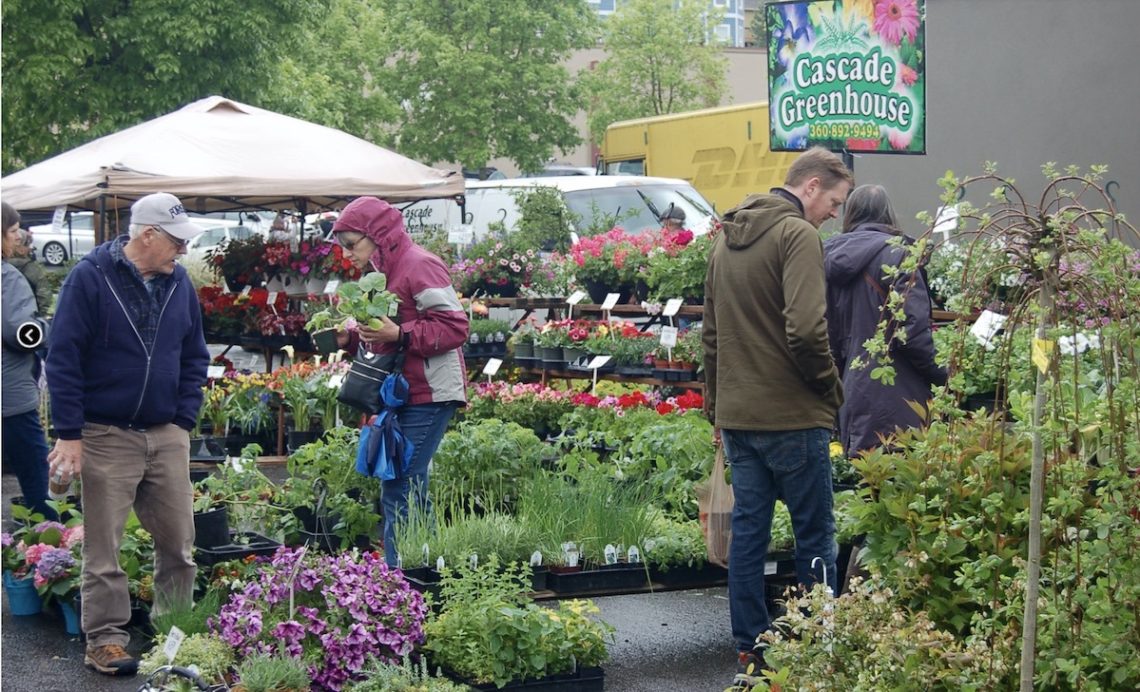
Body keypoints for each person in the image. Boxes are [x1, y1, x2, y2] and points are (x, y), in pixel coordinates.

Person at [702, 146, 852, 690]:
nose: (835, 213)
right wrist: (832, 392)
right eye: (834, 201)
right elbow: (807, 331)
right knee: (815, 536)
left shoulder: (725, 241)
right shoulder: (798, 237)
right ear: (810, 186)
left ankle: (750, 650)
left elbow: (712, 336)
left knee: (749, 536)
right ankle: (819, 644)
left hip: (740, 417)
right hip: (793, 415)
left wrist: (716, 408)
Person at [45, 192, 210, 677]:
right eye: (177, 240)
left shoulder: (180, 284)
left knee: (179, 542)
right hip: (105, 433)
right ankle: (106, 640)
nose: (183, 250)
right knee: (105, 548)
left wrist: (183, 419)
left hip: (165, 433)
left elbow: (194, 354)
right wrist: (69, 434)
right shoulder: (90, 278)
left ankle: (173, 631)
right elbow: (63, 359)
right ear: (147, 234)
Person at [331, 196, 468, 567]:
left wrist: (401, 333)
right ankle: (428, 579)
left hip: (431, 392)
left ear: (378, 234)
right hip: (402, 394)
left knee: (400, 486)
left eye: (352, 245)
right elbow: (386, 332)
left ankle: (402, 587)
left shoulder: (420, 265)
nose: (348, 256)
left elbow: (455, 326)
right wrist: (353, 339)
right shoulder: (381, 273)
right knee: (409, 488)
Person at [823, 184, 947, 458]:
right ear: (889, 214)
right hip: (897, 389)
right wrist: (942, 375)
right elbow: (912, 331)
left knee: (863, 483)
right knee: (900, 486)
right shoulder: (900, 254)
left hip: (848, 388)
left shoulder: (825, 256)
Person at [2, 202, 56, 520]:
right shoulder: (7, 278)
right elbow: (21, 335)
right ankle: (49, 556)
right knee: (38, 484)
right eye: (11, 231)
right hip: (10, 398)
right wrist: (47, 327)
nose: (17, 238)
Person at [8, 229, 52, 315]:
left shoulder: (4, 265)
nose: (30, 248)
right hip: (27, 318)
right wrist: (42, 316)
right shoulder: (30, 268)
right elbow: (44, 294)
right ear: (20, 248)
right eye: (27, 244)